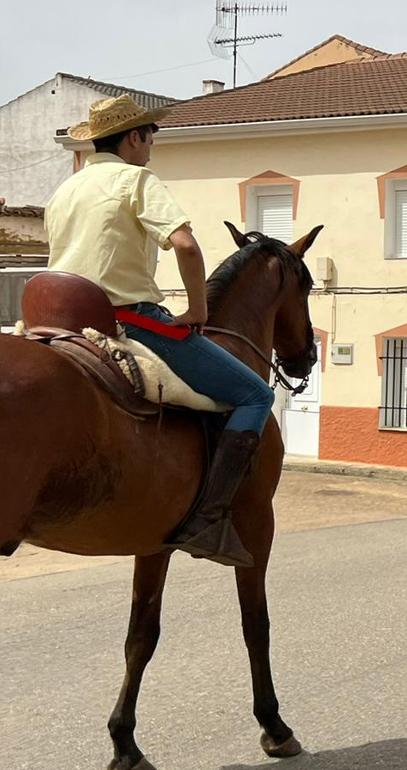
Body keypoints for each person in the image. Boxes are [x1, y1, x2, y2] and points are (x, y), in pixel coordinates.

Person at [44, 96, 275, 568]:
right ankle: (208, 519)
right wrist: (196, 308)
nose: (152, 147)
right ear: (134, 137)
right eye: (151, 136)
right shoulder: (136, 180)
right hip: (127, 320)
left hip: (60, 319)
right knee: (255, 396)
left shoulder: (66, 189)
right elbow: (185, 246)